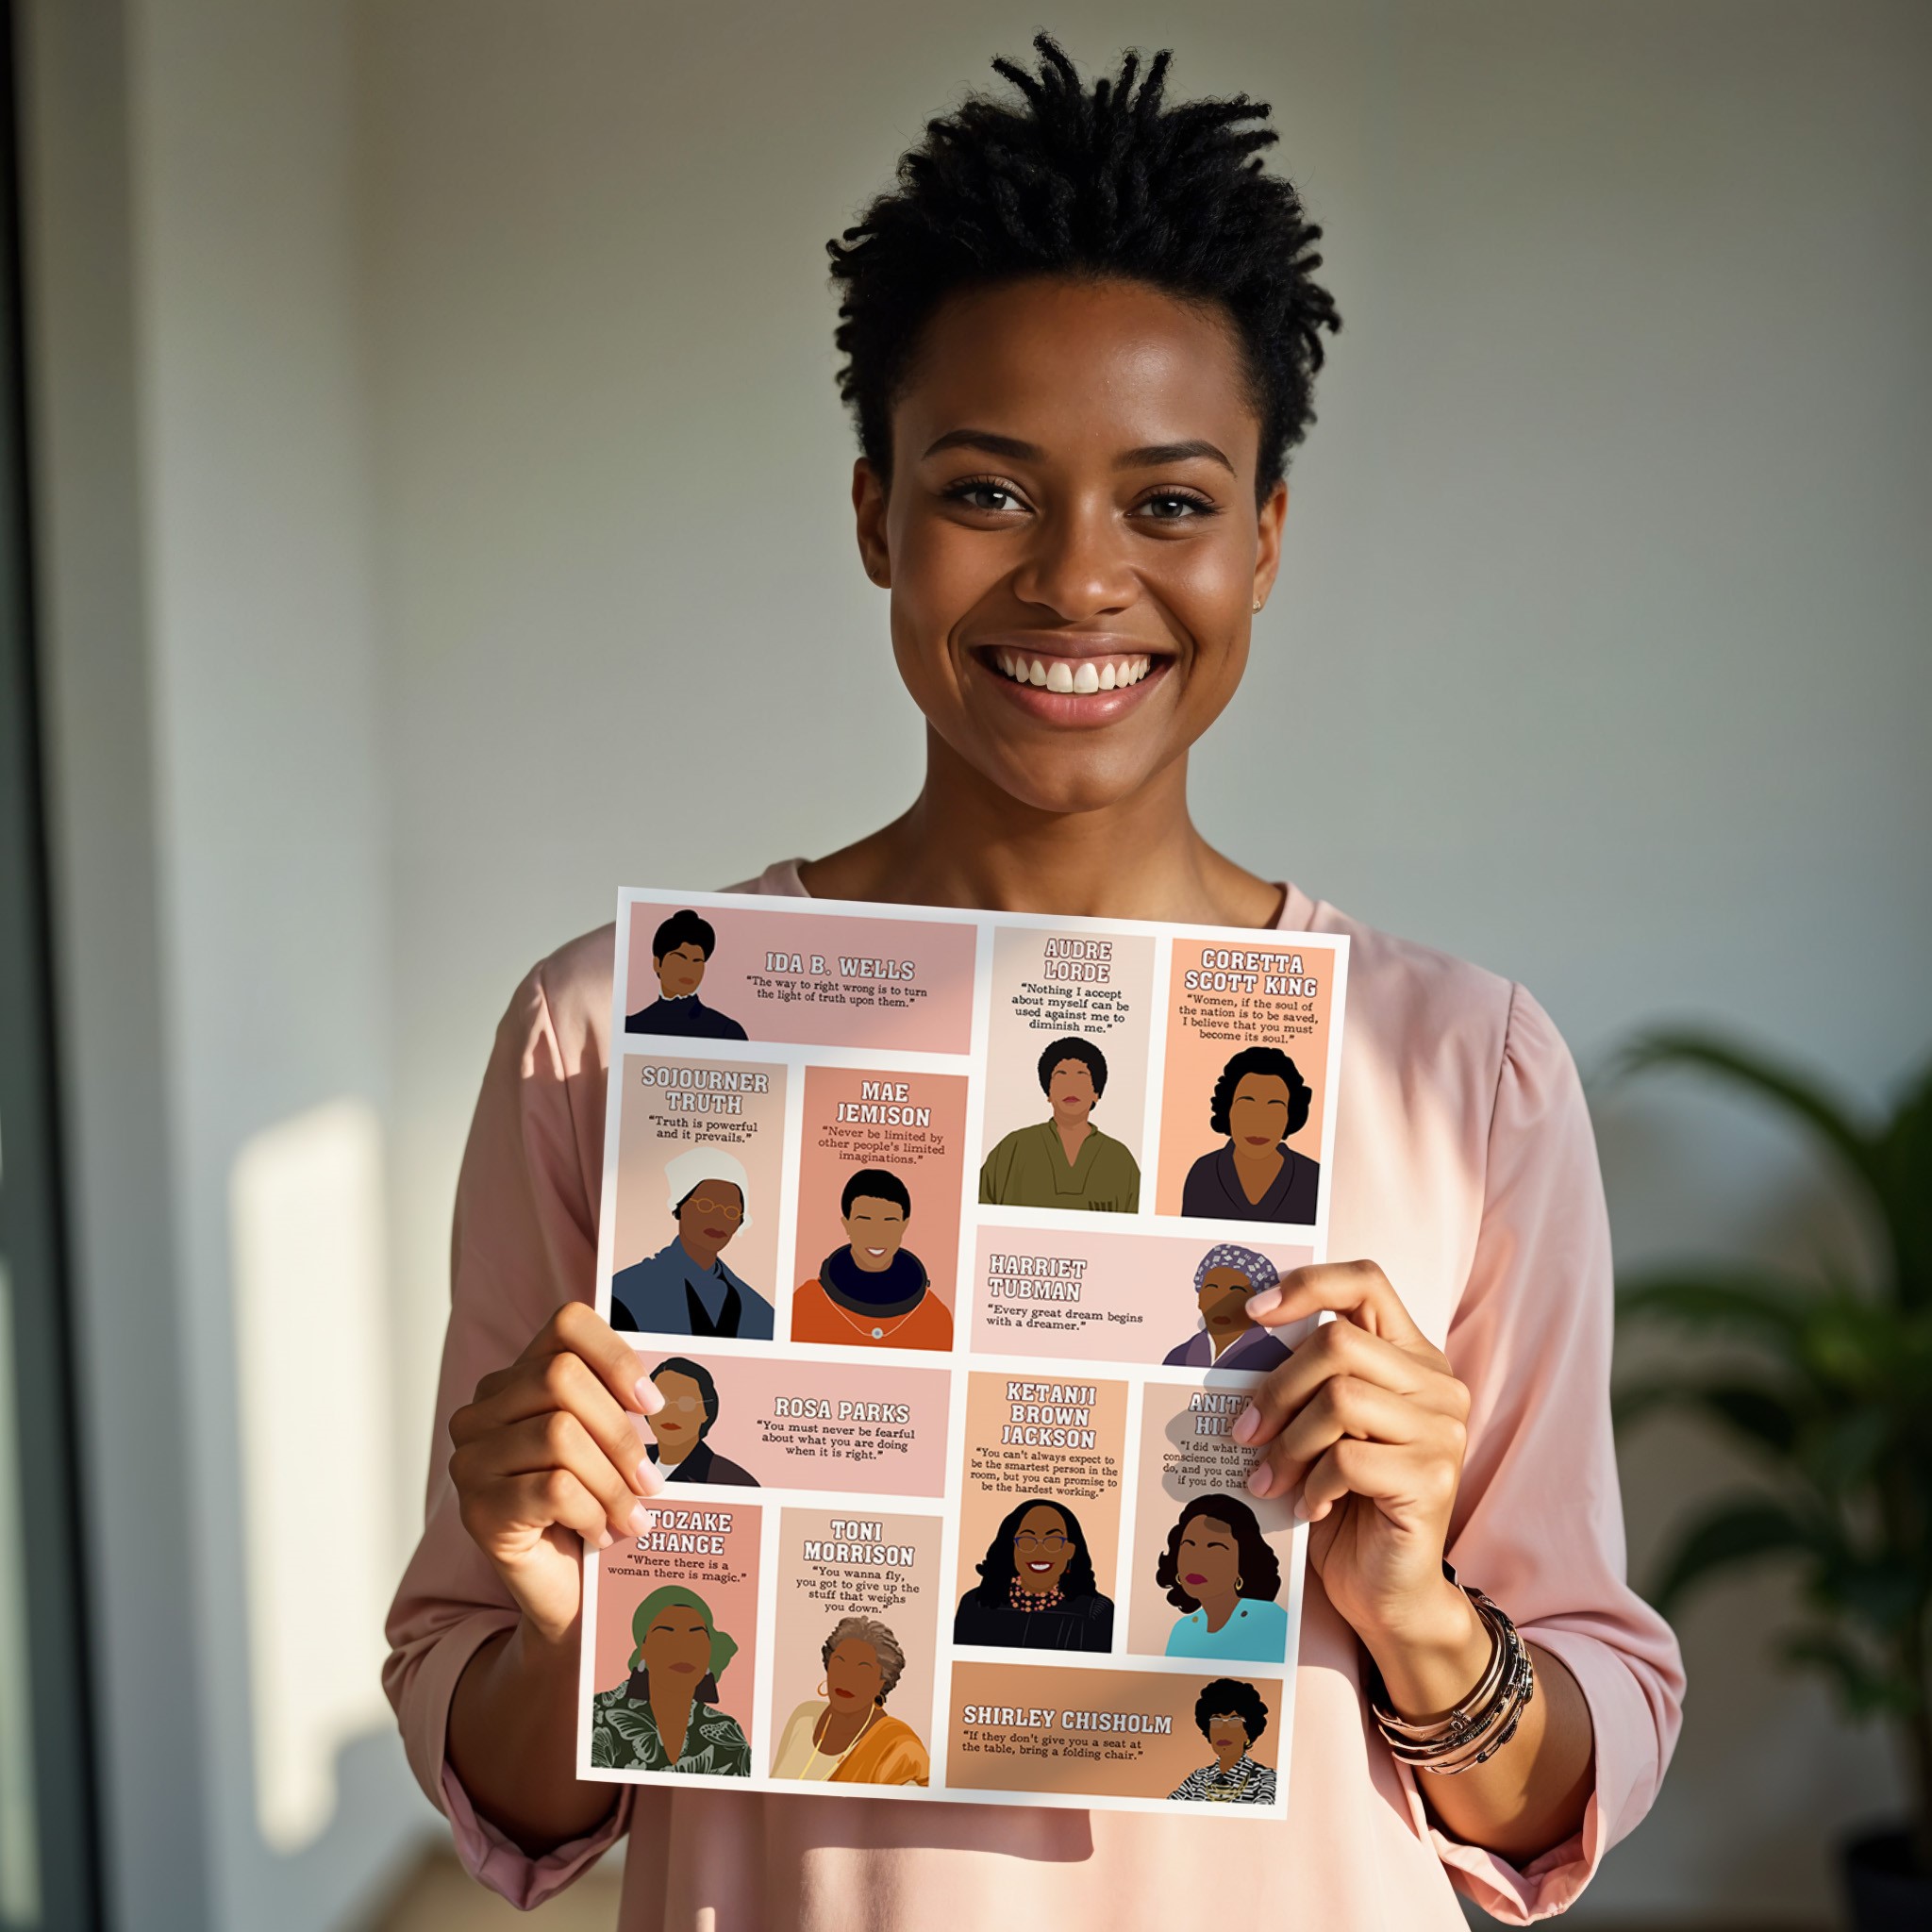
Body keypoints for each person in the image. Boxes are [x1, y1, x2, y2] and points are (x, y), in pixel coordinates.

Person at [387, 33, 1683, 1930]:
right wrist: (568, 1622)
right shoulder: (610, 1042)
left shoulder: (1456, 1068)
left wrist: (1416, 1611)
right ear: (873, 516)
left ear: (1263, 539)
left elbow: (1567, 1771)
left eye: (1167, 503)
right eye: (988, 491)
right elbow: (505, 1773)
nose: (1078, 580)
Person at [608, 1149, 774, 1340]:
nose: (718, 1219)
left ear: (739, 1223)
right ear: (680, 1208)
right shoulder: (626, 1291)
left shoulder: (759, 1311)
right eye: (706, 1205)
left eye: (730, 1212)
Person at [588, 1586, 751, 1776]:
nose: (683, 1648)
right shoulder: (595, 1713)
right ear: (643, 1648)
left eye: (696, 1635)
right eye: (666, 1634)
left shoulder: (727, 1732)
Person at [791, 1167, 953, 1349]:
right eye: (865, 1221)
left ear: (904, 1225)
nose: (877, 1235)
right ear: (847, 1225)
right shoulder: (805, 1304)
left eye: (889, 1222)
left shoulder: (935, 1316)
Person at [978, 1035, 1141, 1211]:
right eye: (1061, 1075)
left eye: (1081, 1076)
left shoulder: (1119, 1159)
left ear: (1096, 1093)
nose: (1071, 1085)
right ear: (1048, 1092)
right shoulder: (1013, 1148)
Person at [769, 1617, 930, 1786]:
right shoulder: (804, 1717)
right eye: (840, 1663)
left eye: (863, 1670)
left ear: (882, 1682)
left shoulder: (900, 1749)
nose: (846, 1678)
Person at [952, 1497, 1114, 1653]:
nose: (1040, 1551)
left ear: (1070, 1550)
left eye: (1053, 1541)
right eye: (1027, 1540)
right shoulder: (975, 1604)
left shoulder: (1095, 1611)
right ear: (1012, 1548)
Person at [1179, 1046, 1320, 1224]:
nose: (1259, 1122)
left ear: (1290, 1116)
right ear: (1228, 1109)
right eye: (1247, 1106)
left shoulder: (1313, 1178)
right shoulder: (1203, 1173)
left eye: (1274, 1109)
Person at [1156, 1494, 1289, 1664]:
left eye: (1214, 1548)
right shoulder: (1182, 1631)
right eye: (1189, 1545)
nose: (1196, 1560)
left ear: (1243, 1561)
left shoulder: (1271, 1621)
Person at [1160, 1243, 1293, 1372]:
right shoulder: (1178, 1357)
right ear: (1200, 1300)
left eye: (1236, 1292)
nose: (1221, 1303)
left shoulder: (1278, 1357)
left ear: (1257, 1301)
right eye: (1212, 1289)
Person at [624, 909, 748, 1040]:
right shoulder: (632, 1026)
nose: (689, 969)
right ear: (657, 963)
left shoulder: (726, 1031)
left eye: (697, 961)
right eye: (680, 959)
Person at [642, 1357, 758, 1487]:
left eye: (687, 1404)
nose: (671, 1412)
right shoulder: (635, 1457)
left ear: (706, 1413)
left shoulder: (733, 1479)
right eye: (663, 1400)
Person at [1167, 1680, 1277, 1805]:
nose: (1224, 1731)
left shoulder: (1266, 1780)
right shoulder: (1198, 1778)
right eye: (1216, 1722)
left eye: (1234, 1722)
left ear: (1248, 1731)